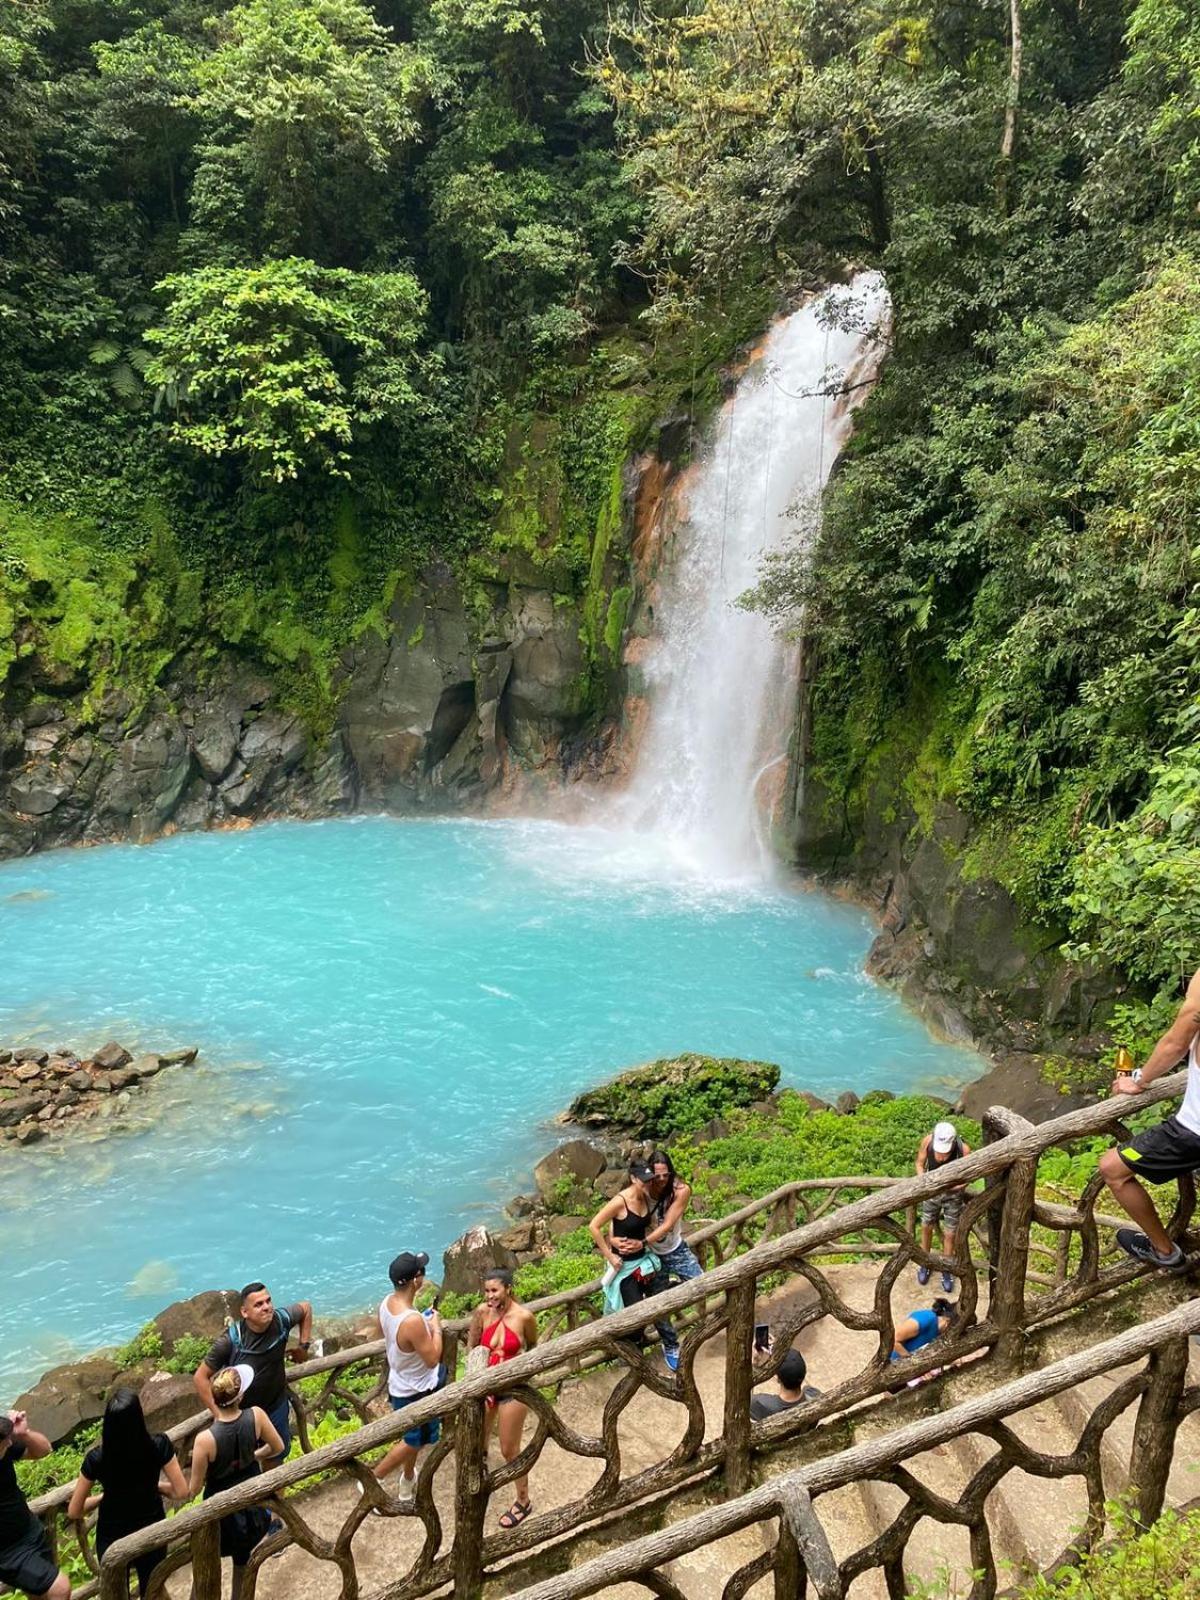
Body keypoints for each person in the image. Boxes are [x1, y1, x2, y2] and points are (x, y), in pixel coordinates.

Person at [1099, 969, 1200, 1268]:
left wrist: (1139, 1080)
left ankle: (1165, 1252)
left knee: (1112, 1168)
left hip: (1192, 1131)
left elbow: (1175, 1044)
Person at [67, 1389, 188, 1596]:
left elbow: (75, 1511)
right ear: (139, 1417)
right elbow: (181, 1492)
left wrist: (102, 1497)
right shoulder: (158, 1445)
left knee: (116, 1593)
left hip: (113, 1539)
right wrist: (156, 1487)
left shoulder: (97, 1458)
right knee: (152, 1590)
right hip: (151, 1533)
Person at [188, 1367, 283, 1600]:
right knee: (243, 1562)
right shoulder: (256, 1416)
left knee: (206, 1565)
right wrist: (253, 1456)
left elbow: (193, 1490)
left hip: (220, 1518)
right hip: (253, 1510)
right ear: (239, 1396)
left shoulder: (205, 1440)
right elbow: (277, 1447)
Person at [195, 1284, 311, 1467]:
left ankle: (277, 1494)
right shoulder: (231, 1341)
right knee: (243, 1465)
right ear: (244, 1312)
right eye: (258, 1304)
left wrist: (304, 1347)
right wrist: (218, 1414)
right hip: (243, 1415)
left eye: (268, 1301)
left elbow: (305, 1308)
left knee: (276, 1457)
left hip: (276, 1405)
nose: (266, 1307)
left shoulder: (281, 1320)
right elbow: (200, 1377)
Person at [467, 1268, 538, 1530]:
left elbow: (532, 1347)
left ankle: (523, 1500)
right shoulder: (482, 1313)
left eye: (494, 1290)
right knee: (480, 1439)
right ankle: (481, 1478)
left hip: (513, 1387)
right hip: (485, 1385)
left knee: (509, 1448)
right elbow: (473, 1346)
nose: (489, 1296)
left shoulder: (524, 1317)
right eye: (486, 1291)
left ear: (508, 1288)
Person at [372, 1252, 445, 1502]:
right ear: (416, 1280)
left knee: (414, 1437)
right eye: (421, 1272)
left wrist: (422, 1328)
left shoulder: (386, 1303)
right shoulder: (413, 1320)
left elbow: (390, 1333)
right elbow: (433, 1358)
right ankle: (375, 1478)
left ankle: (407, 1481)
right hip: (417, 1389)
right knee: (413, 1441)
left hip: (400, 1380)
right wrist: (435, 1327)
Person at [589, 1162, 677, 1364]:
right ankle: (628, 1354)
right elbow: (594, 1226)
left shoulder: (646, 1197)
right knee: (635, 1313)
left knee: (656, 1304)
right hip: (624, 1268)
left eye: (649, 1181)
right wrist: (610, 1253)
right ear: (633, 1179)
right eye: (643, 1181)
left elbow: (647, 1222)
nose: (647, 1185)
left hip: (644, 1262)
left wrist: (655, 1233)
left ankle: (657, 1344)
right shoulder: (621, 1201)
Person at [0, 1411, 69, 1600]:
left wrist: (24, 1433)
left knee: (39, 1594)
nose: (10, 1443)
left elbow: (44, 1450)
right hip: (9, 1553)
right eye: (5, 1442)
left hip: (30, 1531)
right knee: (60, 1587)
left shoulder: (4, 1447)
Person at [644, 1149, 701, 1372]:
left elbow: (667, 1225)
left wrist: (641, 1242)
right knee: (658, 1305)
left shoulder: (680, 1190)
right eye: (656, 1176)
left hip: (674, 1249)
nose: (660, 1180)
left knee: (703, 1283)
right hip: (651, 1257)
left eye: (665, 1175)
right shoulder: (641, 1190)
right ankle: (670, 1344)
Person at [915, 1121, 972, 1292]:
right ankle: (925, 1262)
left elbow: (970, 1175)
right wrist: (924, 1180)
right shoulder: (928, 1142)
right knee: (926, 1226)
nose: (941, 1156)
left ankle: (947, 1269)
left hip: (953, 1196)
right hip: (932, 1191)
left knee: (950, 1233)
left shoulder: (963, 1150)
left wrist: (957, 1187)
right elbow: (919, 1163)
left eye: (945, 1151)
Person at [750, 1349, 816, 1420]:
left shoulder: (760, 1403)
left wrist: (753, 1369)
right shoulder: (815, 1396)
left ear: (778, 1379)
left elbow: (742, 1400)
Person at [890, 1298, 957, 1362]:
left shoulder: (938, 1334)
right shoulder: (927, 1318)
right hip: (893, 1362)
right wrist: (909, 1361)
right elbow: (894, 1338)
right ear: (948, 1321)